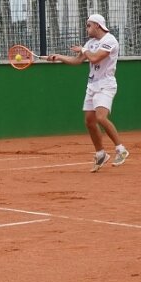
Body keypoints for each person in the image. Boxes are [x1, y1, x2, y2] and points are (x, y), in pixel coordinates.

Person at [47, 14, 129, 172]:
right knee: (90, 121)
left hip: (106, 84)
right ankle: (100, 154)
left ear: (97, 25)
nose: (87, 28)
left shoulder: (110, 41)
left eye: (89, 25)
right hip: (92, 85)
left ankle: (121, 149)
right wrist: (58, 57)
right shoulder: (90, 43)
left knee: (100, 117)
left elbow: (96, 58)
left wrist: (83, 50)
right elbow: (77, 61)